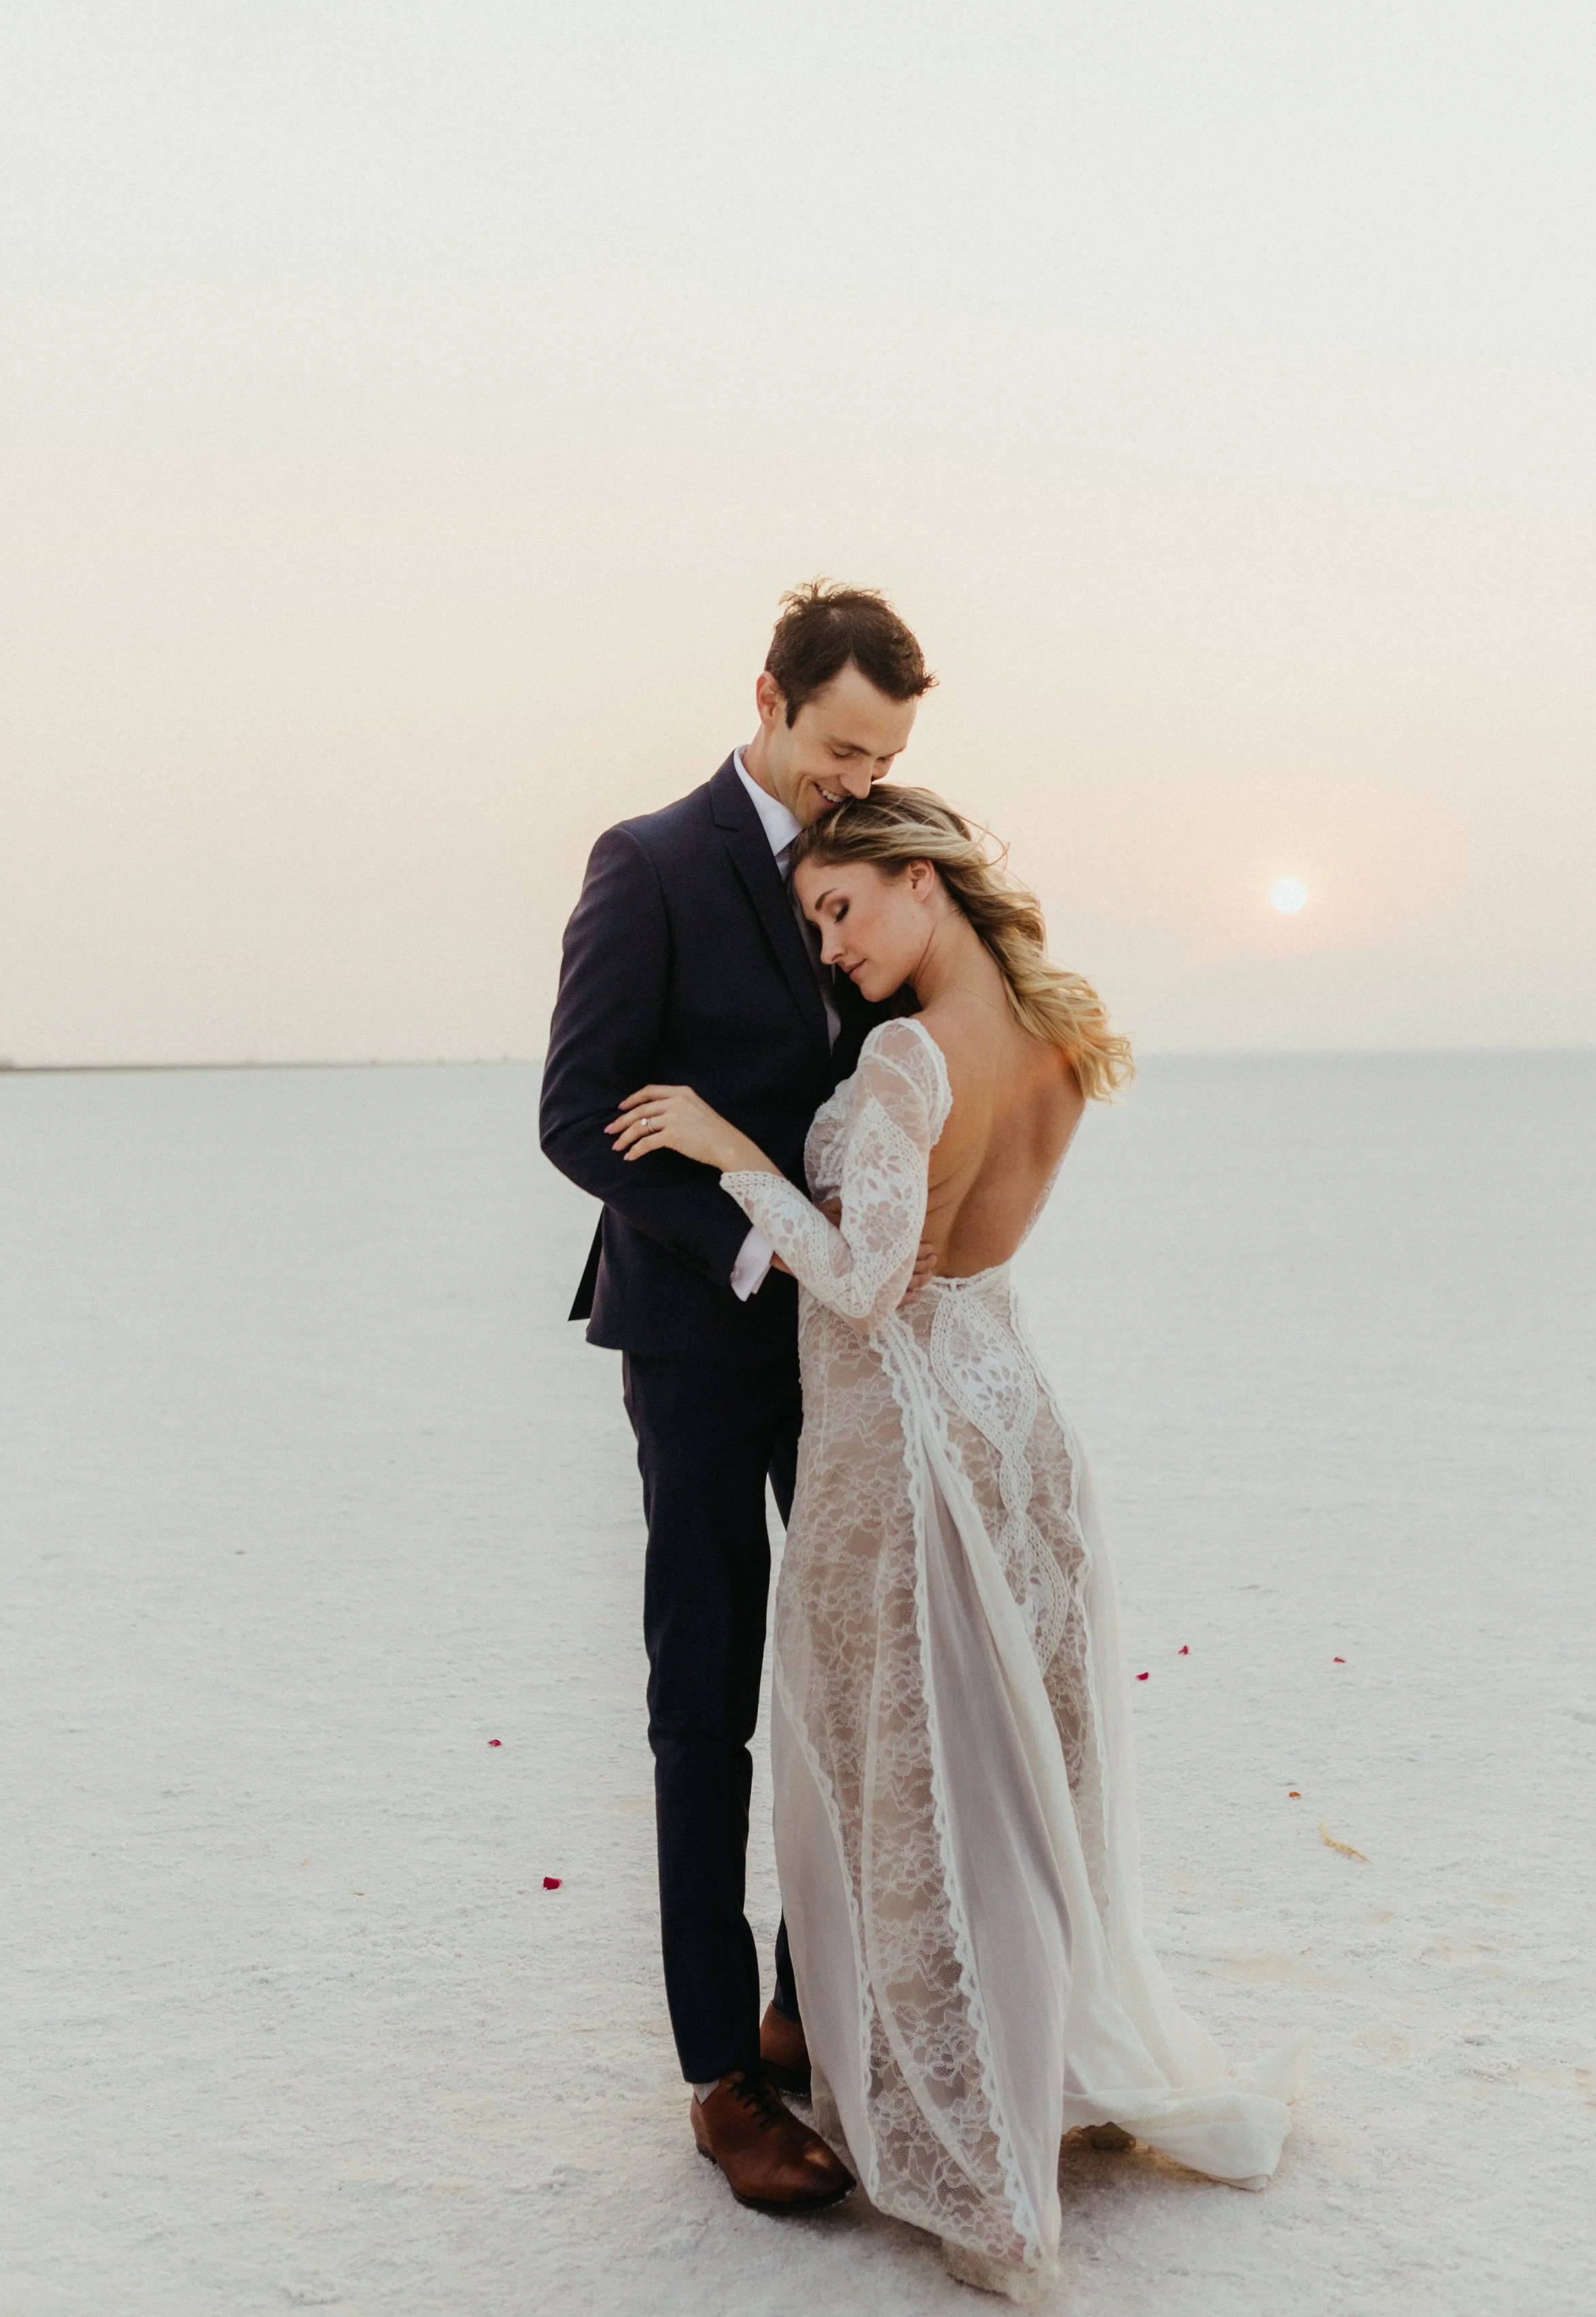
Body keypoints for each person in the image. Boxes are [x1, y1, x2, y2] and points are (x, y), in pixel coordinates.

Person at [607, 786, 1302, 2299]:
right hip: (1012, 1416)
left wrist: (732, 1146)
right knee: (1013, 1774)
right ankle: (1027, 2067)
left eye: (844, 909)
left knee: (916, 1784)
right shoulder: (1054, 1035)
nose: (831, 948)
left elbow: (860, 1285)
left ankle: (971, 2148)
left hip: (904, 1437)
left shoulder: (912, 1056)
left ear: (919, 881)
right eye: (813, 926)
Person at [539, 583, 936, 2213]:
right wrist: (755, 1243)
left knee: (839, 1687)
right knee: (703, 1698)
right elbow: (577, 1120)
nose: (855, 777)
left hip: (849, 1352)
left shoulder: (882, 846)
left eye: (885, 755)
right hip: (702, 1347)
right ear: (767, 699)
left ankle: (806, 1999)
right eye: (840, 745)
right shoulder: (648, 861)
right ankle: (719, 2069)